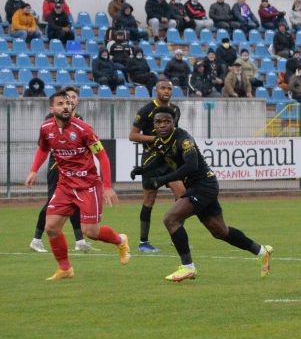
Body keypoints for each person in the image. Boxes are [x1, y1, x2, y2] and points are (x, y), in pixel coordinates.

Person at [133, 108, 272, 282]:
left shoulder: (184, 140)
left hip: (203, 186)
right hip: (197, 187)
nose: (162, 125)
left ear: (173, 122)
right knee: (220, 231)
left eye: (166, 121)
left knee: (171, 219)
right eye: (158, 122)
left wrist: (163, 180)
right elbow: (160, 158)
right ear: (153, 125)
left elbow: (191, 165)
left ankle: (187, 267)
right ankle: (261, 251)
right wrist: (142, 169)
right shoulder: (162, 141)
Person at [24, 90, 128, 280]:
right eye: (60, 104)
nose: (66, 106)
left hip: (88, 185)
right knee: (51, 227)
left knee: (91, 232)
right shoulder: (46, 128)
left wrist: (106, 186)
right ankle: (65, 268)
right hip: (65, 185)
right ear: (51, 108)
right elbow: (43, 149)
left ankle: (120, 240)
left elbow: (102, 156)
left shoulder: (83, 129)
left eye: (68, 103)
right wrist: (33, 170)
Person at [28, 86, 94, 254]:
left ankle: (79, 241)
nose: (70, 101)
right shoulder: (52, 119)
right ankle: (36, 239)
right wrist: (34, 170)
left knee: (75, 202)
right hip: (57, 165)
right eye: (67, 98)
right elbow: (44, 147)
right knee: (52, 201)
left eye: (73, 98)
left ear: (77, 101)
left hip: (75, 168)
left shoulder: (79, 120)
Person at [129, 80, 184, 254]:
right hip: (152, 161)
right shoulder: (146, 110)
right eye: (163, 88)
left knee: (182, 194)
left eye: (169, 88)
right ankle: (143, 242)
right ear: (156, 91)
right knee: (149, 200)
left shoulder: (175, 110)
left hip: (169, 160)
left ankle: (177, 237)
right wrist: (155, 140)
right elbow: (133, 135)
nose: (166, 91)